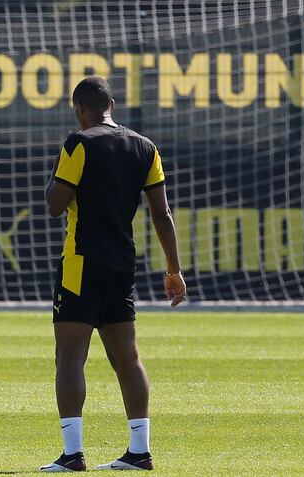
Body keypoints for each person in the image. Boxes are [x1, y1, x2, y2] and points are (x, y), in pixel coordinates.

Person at [40, 77, 186, 472]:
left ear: (79, 109)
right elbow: (162, 213)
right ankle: (140, 451)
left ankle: (73, 455)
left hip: (81, 261)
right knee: (127, 358)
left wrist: (59, 168)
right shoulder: (145, 146)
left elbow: (55, 205)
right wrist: (173, 269)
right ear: (113, 105)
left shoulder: (78, 142)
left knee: (70, 357)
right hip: (123, 262)